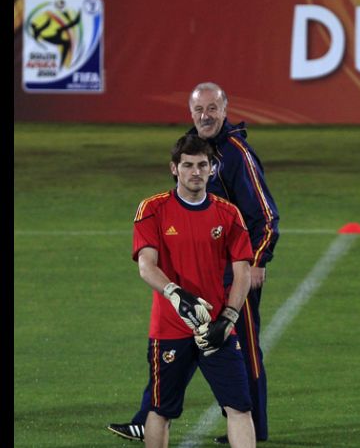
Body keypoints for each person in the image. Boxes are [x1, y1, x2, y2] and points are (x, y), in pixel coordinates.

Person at [108, 82, 279, 444]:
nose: (205, 116)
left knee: (242, 348)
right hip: (200, 269)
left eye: (212, 109)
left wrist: (258, 259)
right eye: (199, 109)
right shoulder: (192, 148)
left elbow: (264, 214)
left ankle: (255, 426)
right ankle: (147, 416)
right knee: (179, 344)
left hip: (235, 273)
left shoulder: (235, 154)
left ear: (224, 110)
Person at [131, 134, 256, 448]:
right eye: (188, 165)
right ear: (175, 168)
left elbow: (242, 272)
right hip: (170, 329)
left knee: (240, 407)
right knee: (161, 410)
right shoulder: (152, 209)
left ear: (213, 169)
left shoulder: (229, 214)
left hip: (217, 328)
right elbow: (146, 265)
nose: (195, 172)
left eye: (203, 164)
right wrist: (176, 294)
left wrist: (227, 319)